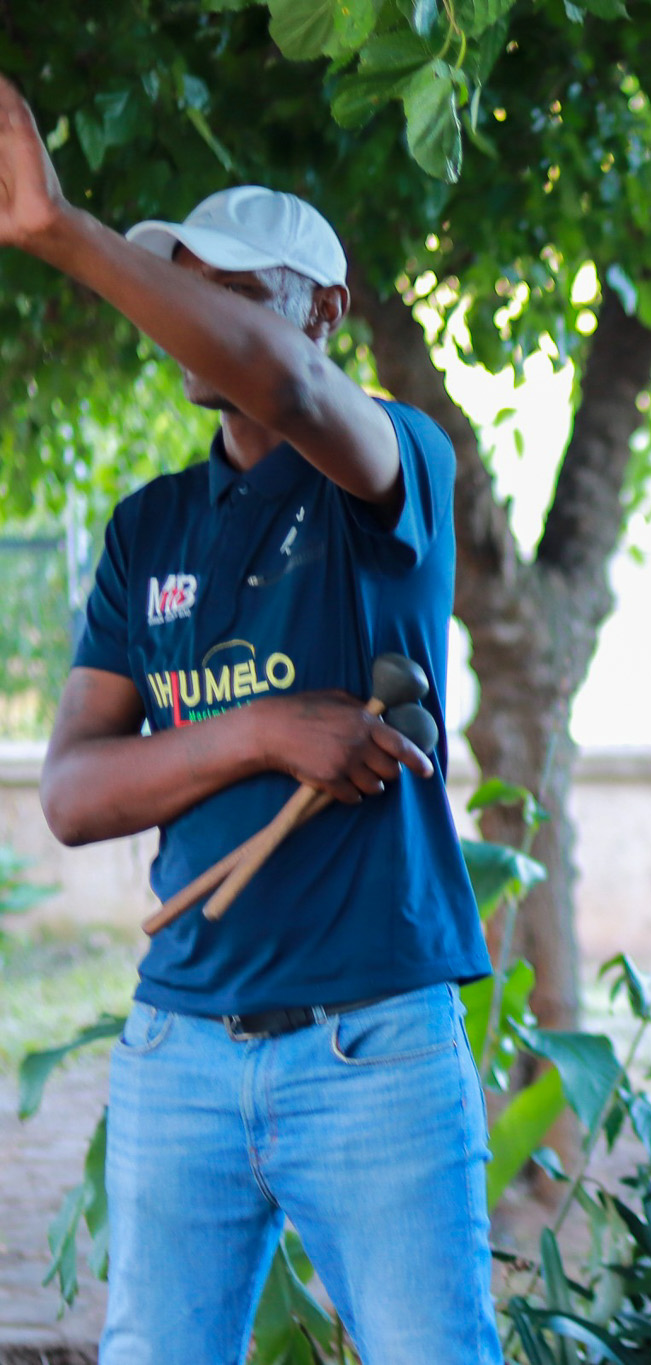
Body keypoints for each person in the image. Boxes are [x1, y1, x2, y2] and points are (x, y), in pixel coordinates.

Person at [2, 77, 499, 1363]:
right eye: (179, 286)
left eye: (228, 290)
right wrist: (260, 732)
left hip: (373, 1049)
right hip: (176, 1052)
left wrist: (63, 230)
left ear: (321, 309)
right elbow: (71, 794)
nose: (190, 321)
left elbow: (280, 385)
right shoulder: (147, 528)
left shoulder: (393, 464)